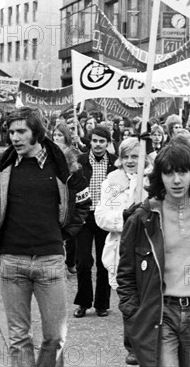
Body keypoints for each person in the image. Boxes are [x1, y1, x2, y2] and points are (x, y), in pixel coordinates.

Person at [0, 107, 91, 367]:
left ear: (37, 132)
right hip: (11, 262)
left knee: (55, 337)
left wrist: (62, 234)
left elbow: (84, 203)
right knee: (19, 338)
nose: (14, 138)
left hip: (50, 261)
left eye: (21, 131)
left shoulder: (65, 164)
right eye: (11, 132)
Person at [117, 144, 190, 367]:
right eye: (169, 173)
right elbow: (125, 273)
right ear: (160, 176)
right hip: (160, 312)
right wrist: (134, 313)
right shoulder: (144, 216)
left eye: (182, 172)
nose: (177, 180)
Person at [95, 137, 148, 365]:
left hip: (148, 248)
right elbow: (101, 216)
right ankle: (133, 346)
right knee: (128, 298)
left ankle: (150, 341)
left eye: (135, 156)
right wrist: (125, 220)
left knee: (149, 296)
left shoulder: (153, 180)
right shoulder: (112, 182)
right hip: (121, 248)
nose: (129, 161)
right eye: (125, 156)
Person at [74, 125, 117, 318]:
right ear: (90, 142)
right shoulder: (80, 161)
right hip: (85, 215)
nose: (98, 145)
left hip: (106, 216)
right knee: (83, 261)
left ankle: (102, 303)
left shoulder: (115, 163)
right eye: (95, 141)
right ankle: (83, 302)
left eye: (102, 141)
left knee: (104, 261)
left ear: (108, 143)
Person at [52, 123, 80, 274]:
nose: (56, 138)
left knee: (71, 232)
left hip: (70, 194)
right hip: (55, 195)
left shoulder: (73, 152)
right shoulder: (49, 151)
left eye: (59, 135)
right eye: (55, 135)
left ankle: (71, 262)